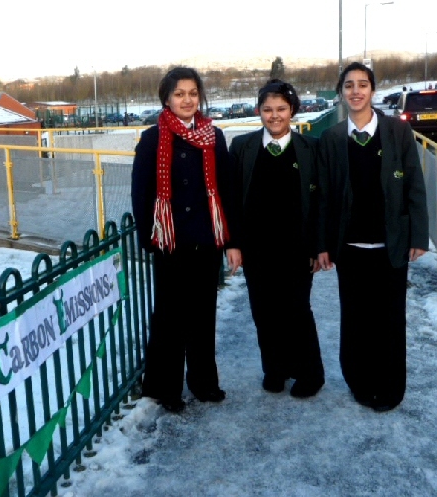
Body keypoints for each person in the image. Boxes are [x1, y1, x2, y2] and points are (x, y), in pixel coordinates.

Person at [317, 61, 429, 412]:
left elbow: (415, 185)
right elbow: (323, 195)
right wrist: (322, 245)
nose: (355, 91)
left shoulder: (397, 131)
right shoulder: (332, 139)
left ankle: (391, 388)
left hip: (390, 246)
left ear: (372, 90)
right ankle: (360, 383)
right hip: (350, 248)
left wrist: (418, 236)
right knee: (356, 320)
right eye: (348, 85)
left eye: (362, 84)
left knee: (390, 321)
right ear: (341, 92)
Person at [131, 66, 230, 413]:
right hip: (170, 241)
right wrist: (149, 239)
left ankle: (204, 383)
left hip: (206, 240)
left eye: (192, 93)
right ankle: (164, 388)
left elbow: (226, 189)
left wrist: (229, 239)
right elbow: (141, 193)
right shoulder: (152, 139)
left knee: (203, 315)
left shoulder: (213, 136)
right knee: (170, 317)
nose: (186, 100)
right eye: (179, 94)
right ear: (167, 98)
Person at [226, 79, 325, 398]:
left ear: (292, 111)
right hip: (257, 247)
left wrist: (317, 245)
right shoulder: (242, 147)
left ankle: (310, 374)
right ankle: (275, 369)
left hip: (297, 247)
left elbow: (320, 200)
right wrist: (234, 243)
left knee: (297, 310)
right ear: (258, 111)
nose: (274, 115)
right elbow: (232, 198)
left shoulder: (310, 148)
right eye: (267, 109)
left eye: (281, 108)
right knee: (263, 310)